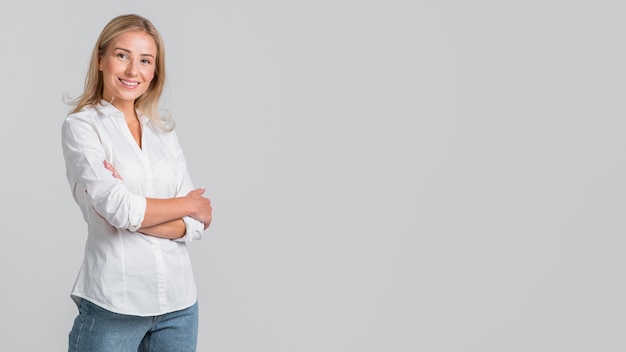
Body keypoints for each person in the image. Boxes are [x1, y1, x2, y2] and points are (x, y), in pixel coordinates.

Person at [61, 14, 212, 352]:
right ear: (101, 60)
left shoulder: (162, 131)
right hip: (115, 303)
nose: (133, 71)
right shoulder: (82, 128)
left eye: (145, 60)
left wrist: (136, 213)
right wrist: (187, 204)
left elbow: (195, 226)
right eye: (122, 55)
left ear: (155, 71)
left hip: (179, 303)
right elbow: (121, 210)